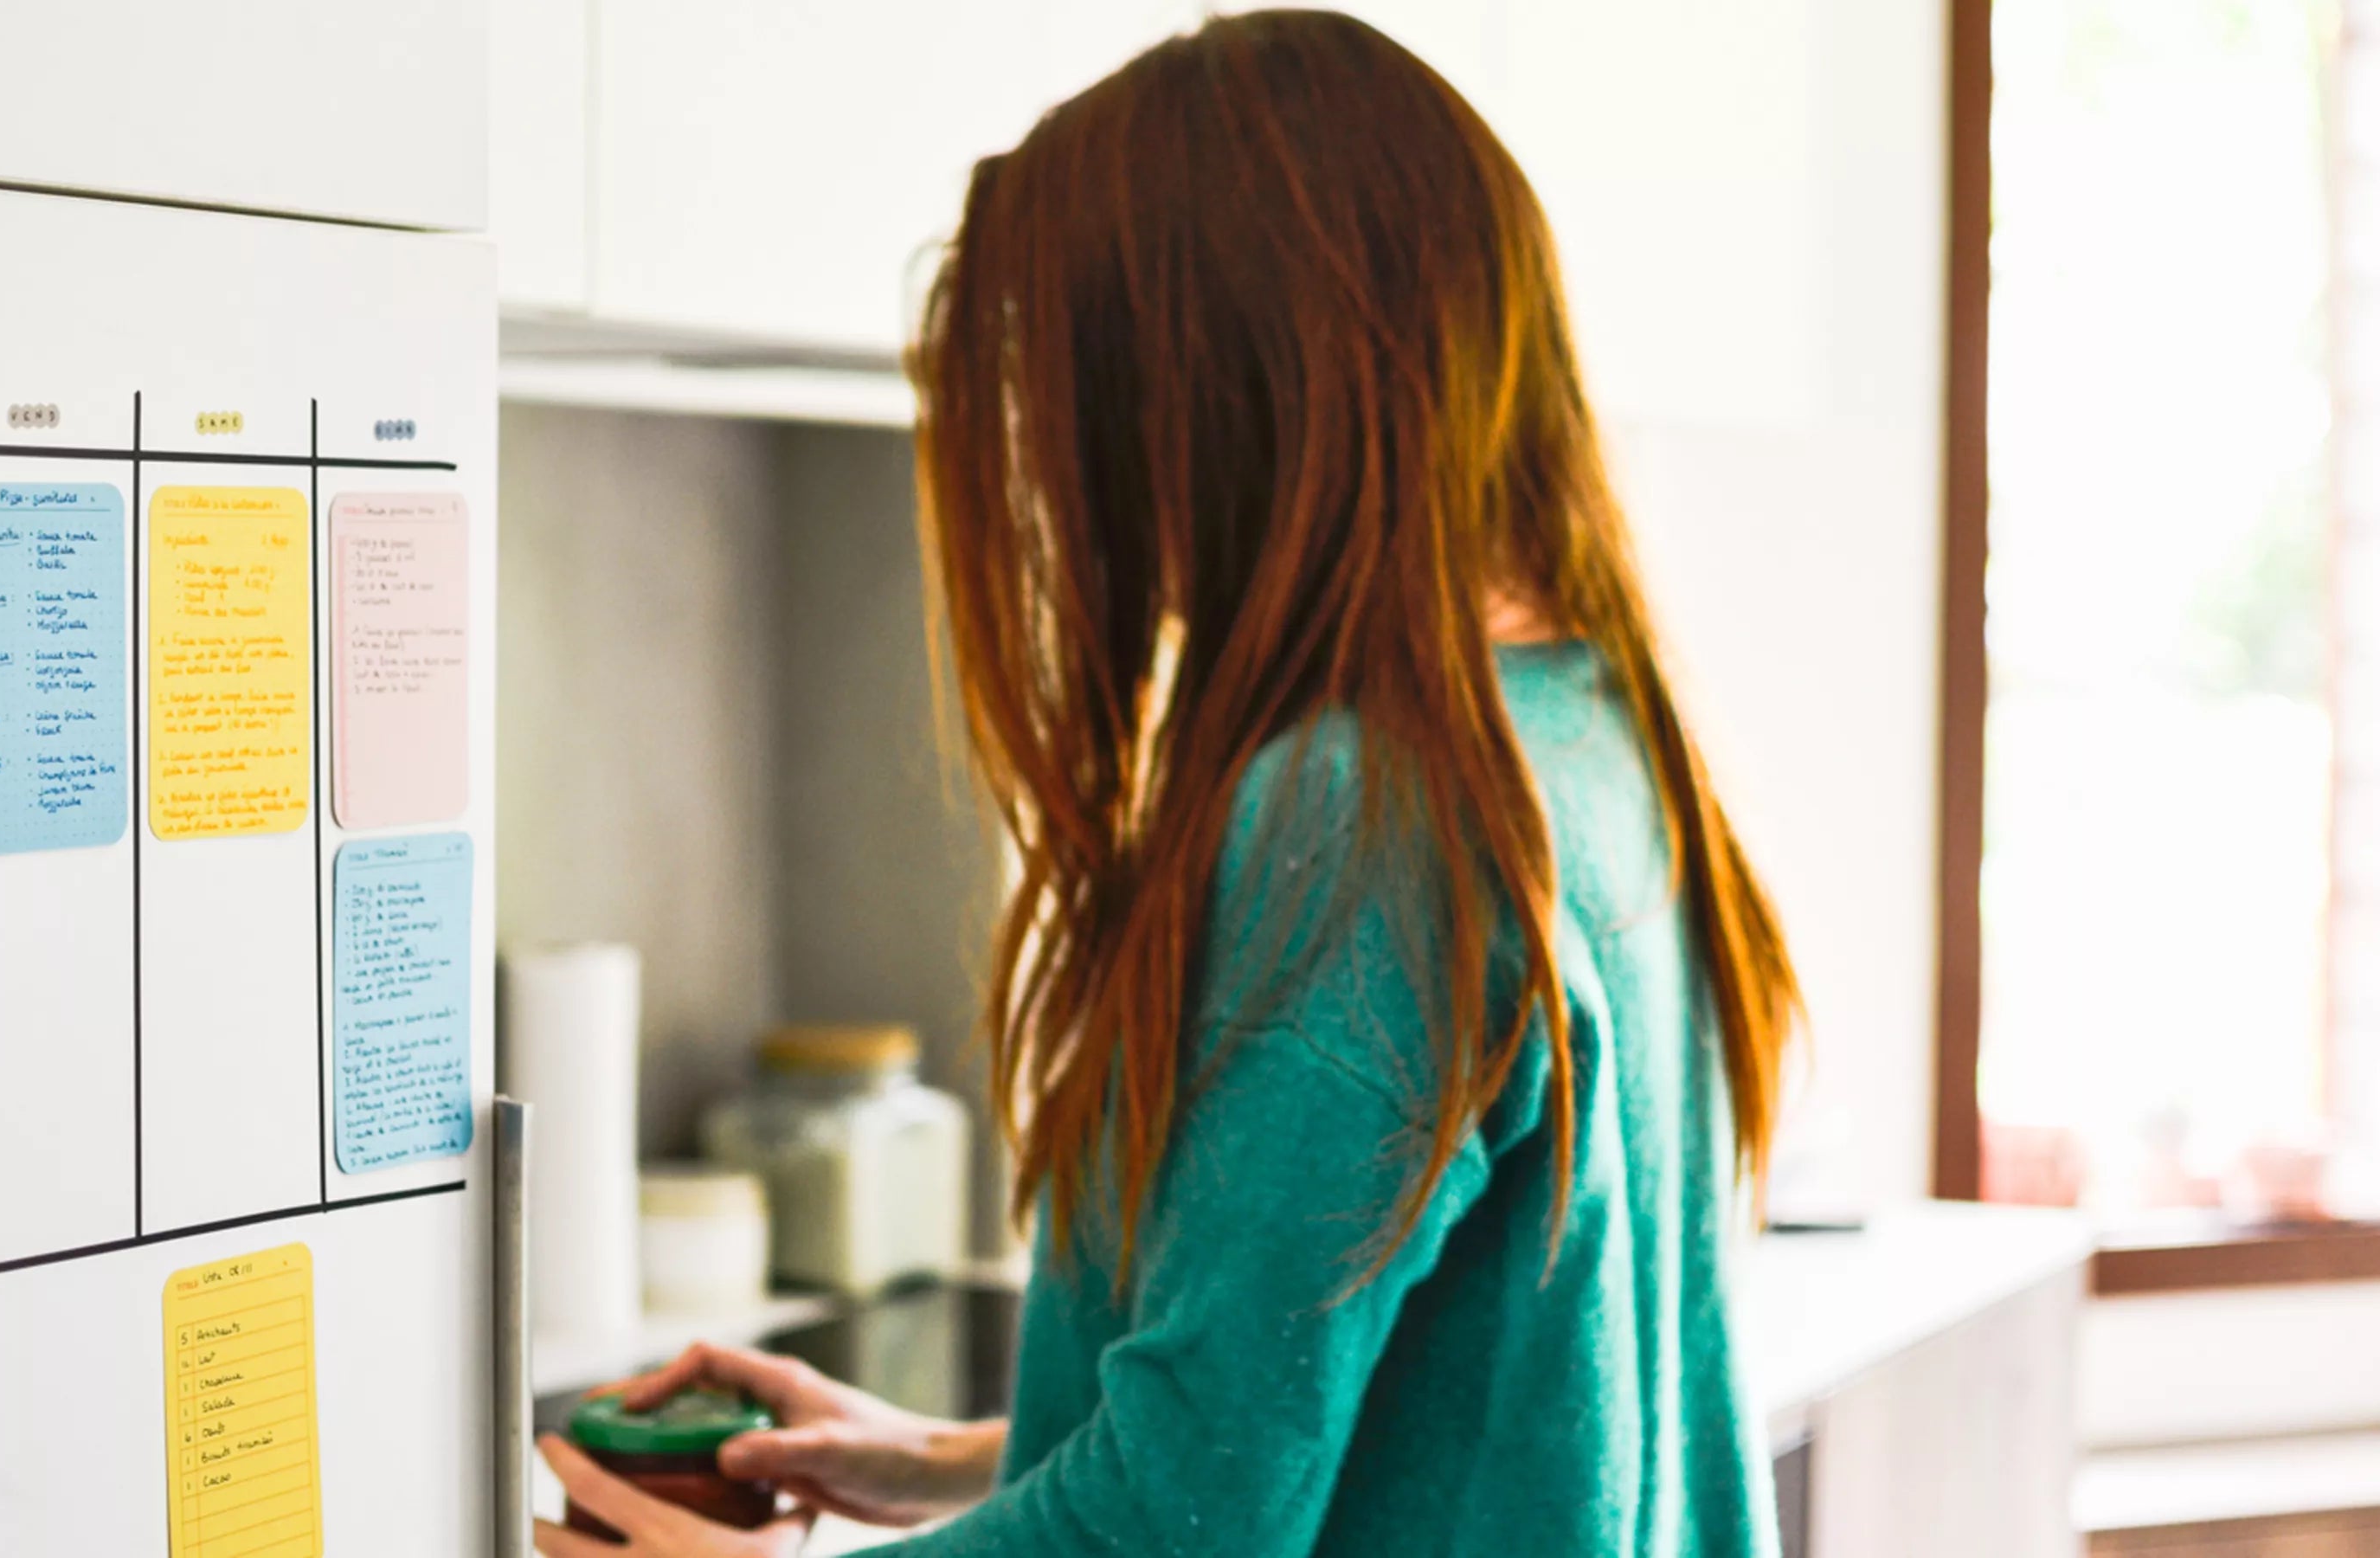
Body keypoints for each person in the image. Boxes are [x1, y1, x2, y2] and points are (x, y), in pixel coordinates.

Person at [537, 10, 1803, 1555]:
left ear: (1201, 403)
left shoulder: (1370, 816)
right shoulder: (1587, 728)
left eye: (1067, 407)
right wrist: (945, 1462)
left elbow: (1177, 1533)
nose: (1066, 491)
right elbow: (1397, 1411)